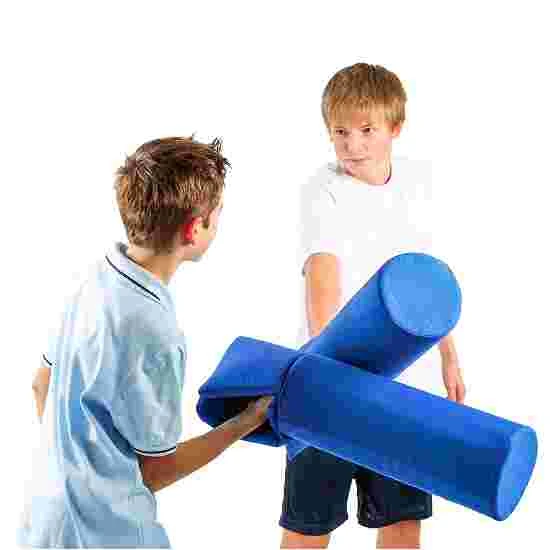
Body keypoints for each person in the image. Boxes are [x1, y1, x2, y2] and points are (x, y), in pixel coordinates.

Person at [18, 136, 272, 548]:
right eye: (218, 212)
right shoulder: (156, 332)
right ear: (194, 228)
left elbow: (40, 382)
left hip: (43, 526)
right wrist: (244, 423)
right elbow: (156, 470)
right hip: (107, 536)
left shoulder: (90, 280)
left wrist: (76, 463)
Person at [279, 63, 466, 549]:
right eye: (340, 132)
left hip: (402, 390)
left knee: (403, 524)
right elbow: (322, 288)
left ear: (395, 127)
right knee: (308, 529)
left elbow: (427, 280)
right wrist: (331, 377)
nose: (352, 145)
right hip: (328, 385)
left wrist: (449, 355)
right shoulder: (322, 192)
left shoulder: (415, 190)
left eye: (367, 130)